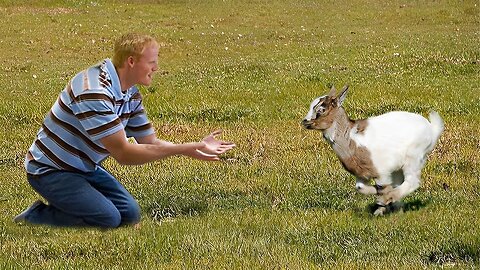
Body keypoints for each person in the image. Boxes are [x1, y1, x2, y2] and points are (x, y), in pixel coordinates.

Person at [13, 33, 235, 228]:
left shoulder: (129, 93)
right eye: (152, 62)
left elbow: (150, 141)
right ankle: (36, 215)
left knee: (129, 215)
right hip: (51, 169)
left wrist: (190, 149)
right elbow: (124, 154)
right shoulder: (94, 91)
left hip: (85, 166)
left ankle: (77, 203)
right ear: (131, 61)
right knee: (108, 218)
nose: (156, 68)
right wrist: (182, 148)